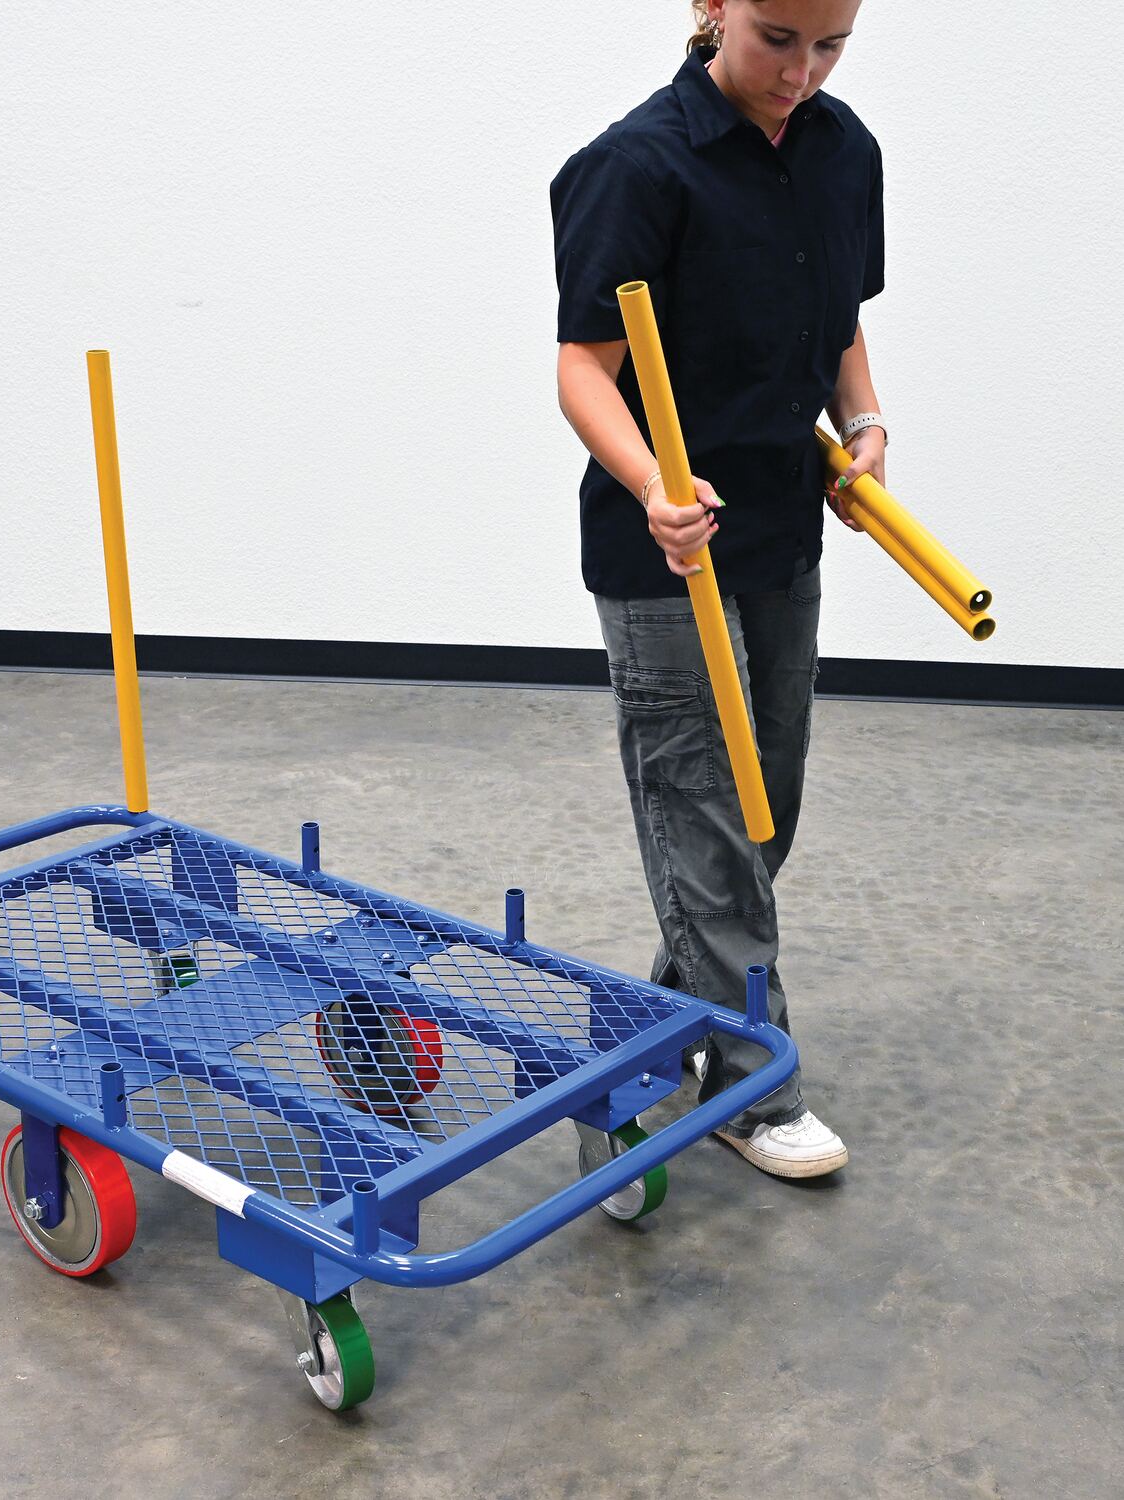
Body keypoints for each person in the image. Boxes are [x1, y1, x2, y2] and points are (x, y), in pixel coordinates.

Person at [551, 0, 888, 1179]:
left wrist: (864, 423)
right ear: (711, 8)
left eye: (830, 45)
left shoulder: (844, 150)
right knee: (704, 802)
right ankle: (753, 1085)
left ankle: (678, 1014)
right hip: (666, 547)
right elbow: (583, 369)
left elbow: (839, 321)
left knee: (761, 807)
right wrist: (654, 481)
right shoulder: (633, 167)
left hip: (781, 528)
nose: (803, 71)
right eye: (777, 37)